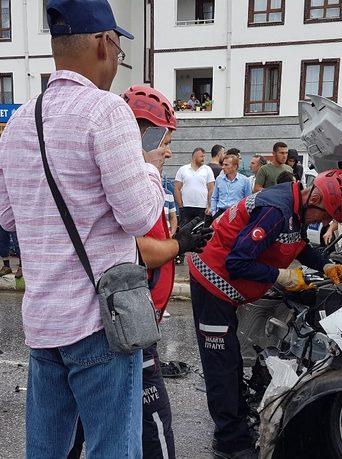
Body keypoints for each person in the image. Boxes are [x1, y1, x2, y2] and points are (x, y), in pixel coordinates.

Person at [0, 1, 167, 456]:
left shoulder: (19, 121)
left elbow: (8, 218)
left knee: (47, 451)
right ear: (104, 43)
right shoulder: (107, 112)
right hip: (100, 322)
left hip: (42, 323)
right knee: (113, 449)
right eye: (118, 49)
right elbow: (138, 217)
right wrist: (148, 168)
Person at [68, 85, 213, 459]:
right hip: (128, 327)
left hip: (127, 321)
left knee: (81, 420)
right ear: (143, 131)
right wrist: (181, 245)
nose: (168, 149)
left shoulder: (133, 175)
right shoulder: (132, 177)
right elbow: (139, 252)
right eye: (164, 138)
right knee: (154, 426)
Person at [189, 169, 342, 458]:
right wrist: (281, 275)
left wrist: (326, 264)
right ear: (316, 197)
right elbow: (237, 262)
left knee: (230, 360)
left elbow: (299, 245)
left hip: (225, 290)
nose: (326, 222)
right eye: (327, 215)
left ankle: (237, 427)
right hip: (212, 284)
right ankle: (229, 443)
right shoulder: (275, 211)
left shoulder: (294, 208)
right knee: (223, 365)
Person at [174, 147, 215, 226]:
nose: (203, 158)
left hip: (202, 208)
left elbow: (211, 189)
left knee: (200, 233)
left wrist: (209, 206)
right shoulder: (183, 169)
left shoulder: (208, 169)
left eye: (204, 156)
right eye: (201, 156)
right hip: (186, 207)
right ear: (194, 156)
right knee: (184, 232)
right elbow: (177, 188)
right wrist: (180, 206)